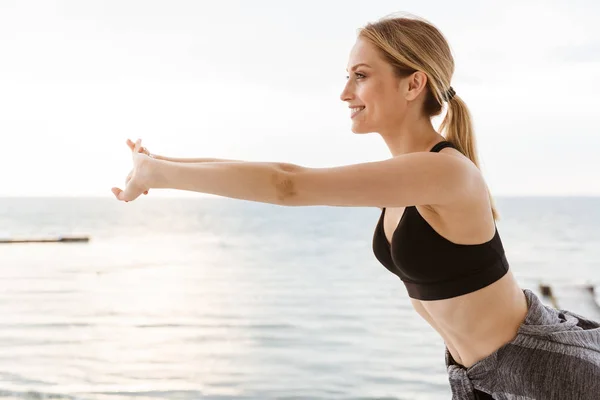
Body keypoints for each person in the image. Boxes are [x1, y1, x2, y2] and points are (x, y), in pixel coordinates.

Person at [111, 13, 600, 400]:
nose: (346, 93)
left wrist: (162, 174)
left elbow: (288, 186)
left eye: (361, 77)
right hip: (480, 374)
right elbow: (284, 171)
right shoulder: (410, 175)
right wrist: (159, 164)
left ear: (414, 84)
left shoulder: (444, 171)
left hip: (542, 367)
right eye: (349, 76)